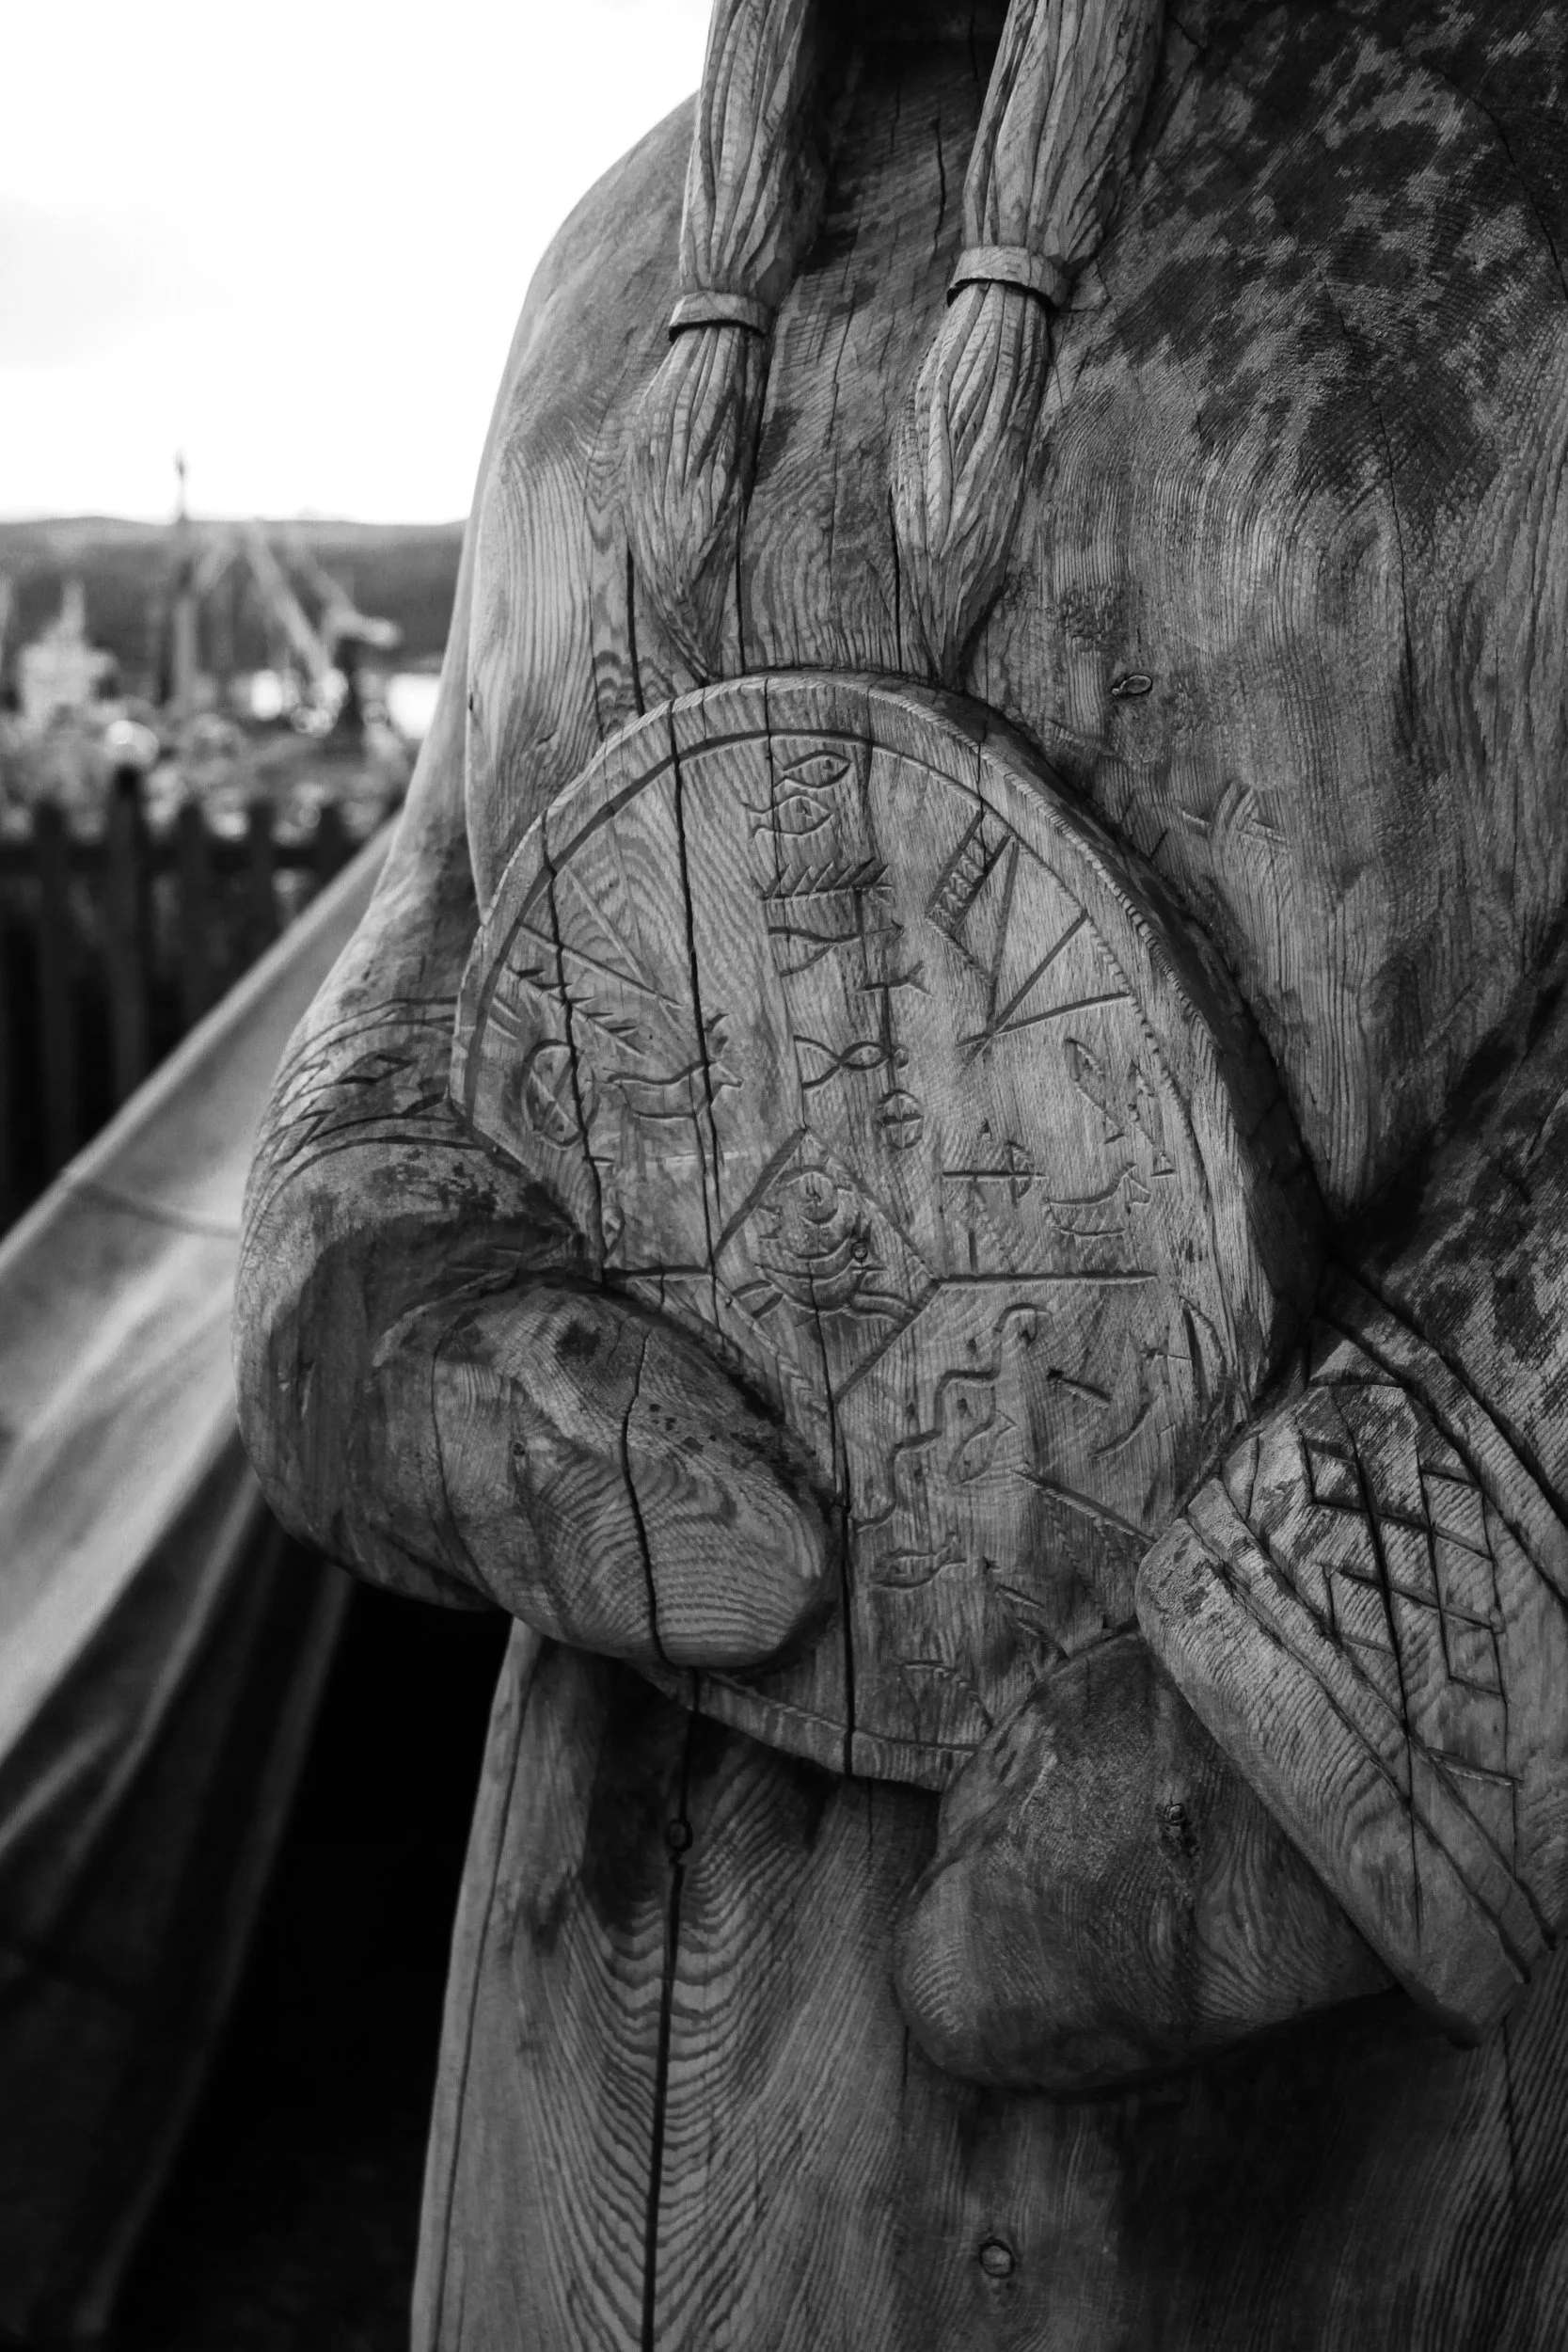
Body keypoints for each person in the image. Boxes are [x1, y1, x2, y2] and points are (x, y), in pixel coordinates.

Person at [235, 1, 1568, 2341]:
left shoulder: (1500, 162)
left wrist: (1344, 1687)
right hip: (586, 1990)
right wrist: (386, 1294)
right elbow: (427, 931)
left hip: (1291, 2189)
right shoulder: (602, 275)